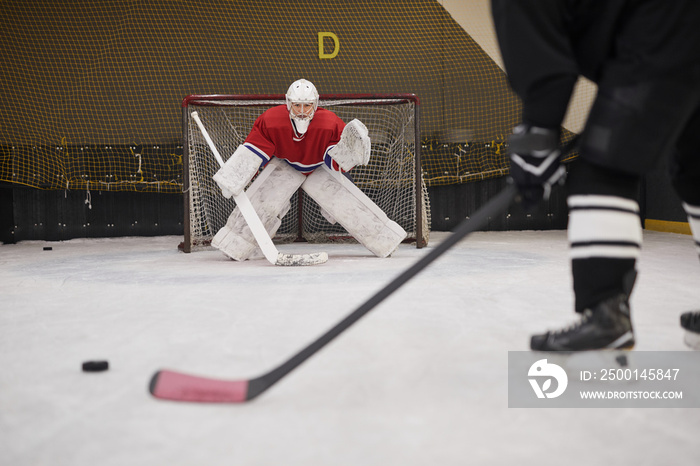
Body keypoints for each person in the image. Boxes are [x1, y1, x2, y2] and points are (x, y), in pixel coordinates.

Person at [490, 0, 700, 350]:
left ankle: (606, 317)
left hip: (666, 29)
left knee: (602, 171)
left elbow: (543, 61)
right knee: (695, 172)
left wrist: (539, 130)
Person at [210, 79, 406, 262]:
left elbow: (336, 162)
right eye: (297, 105)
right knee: (262, 201)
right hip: (285, 165)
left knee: (349, 205)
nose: (302, 111)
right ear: (288, 103)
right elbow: (253, 152)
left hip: (319, 167)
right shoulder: (271, 120)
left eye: (307, 105)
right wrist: (234, 176)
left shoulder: (330, 123)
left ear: (316, 104)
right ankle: (234, 243)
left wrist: (350, 154)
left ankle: (386, 240)